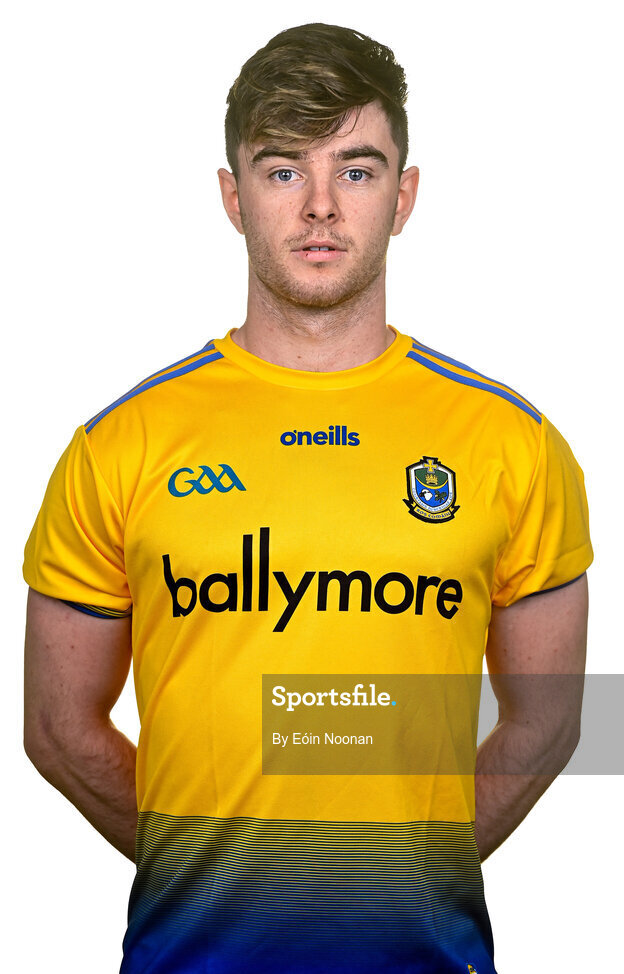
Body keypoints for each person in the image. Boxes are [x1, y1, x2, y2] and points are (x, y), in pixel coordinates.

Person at [22, 22, 592, 974]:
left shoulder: (515, 445)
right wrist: (208, 872)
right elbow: (55, 728)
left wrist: (399, 875)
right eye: (283, 169)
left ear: (404, 197)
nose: (320, 206)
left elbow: (551, 721)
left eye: (357, 170)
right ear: (232, 197)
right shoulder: (117, 446)